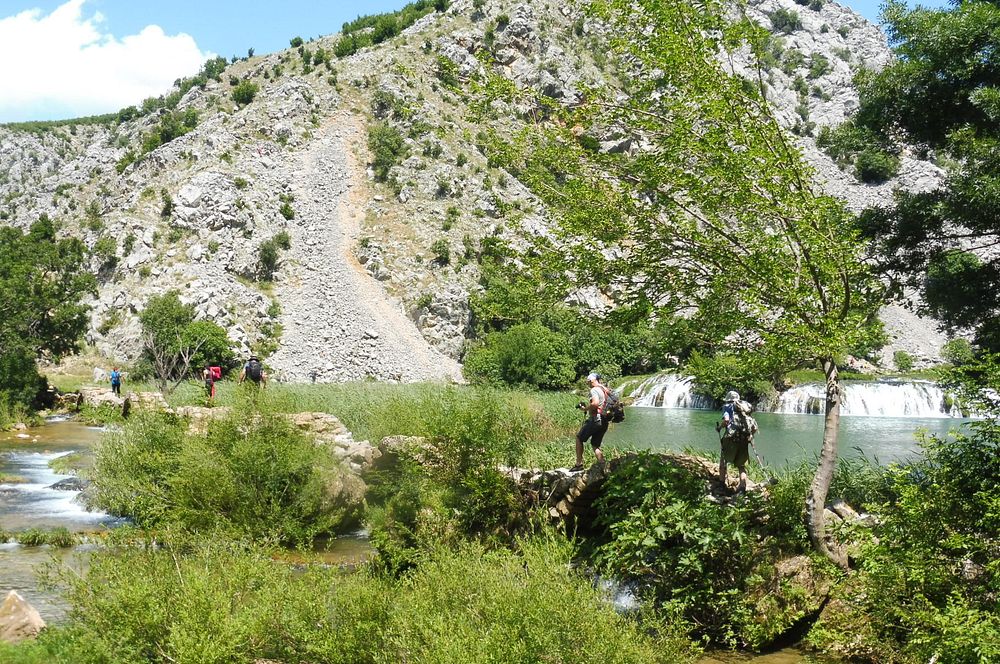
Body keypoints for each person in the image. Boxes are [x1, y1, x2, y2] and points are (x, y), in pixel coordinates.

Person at [572, 372, 609, 471]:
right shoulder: (604, 389)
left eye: (588, 381)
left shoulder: (594, 390)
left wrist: (585, 409)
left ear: (593, 380)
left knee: (579, 438)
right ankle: (603, 465)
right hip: (605, 421)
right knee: (595, 444)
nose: (587, 383)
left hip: (596, 419)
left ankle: (579, 464)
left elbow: (595, 403)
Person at [716, 390, 751, 493]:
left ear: (728, 399)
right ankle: (742, 488)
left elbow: (726, 420)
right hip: (744, 438)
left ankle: (721, 485)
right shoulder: (744, 407)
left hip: (731, 438)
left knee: (723, 461)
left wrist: (719, 427)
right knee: (741, 465)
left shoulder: (727, 407)